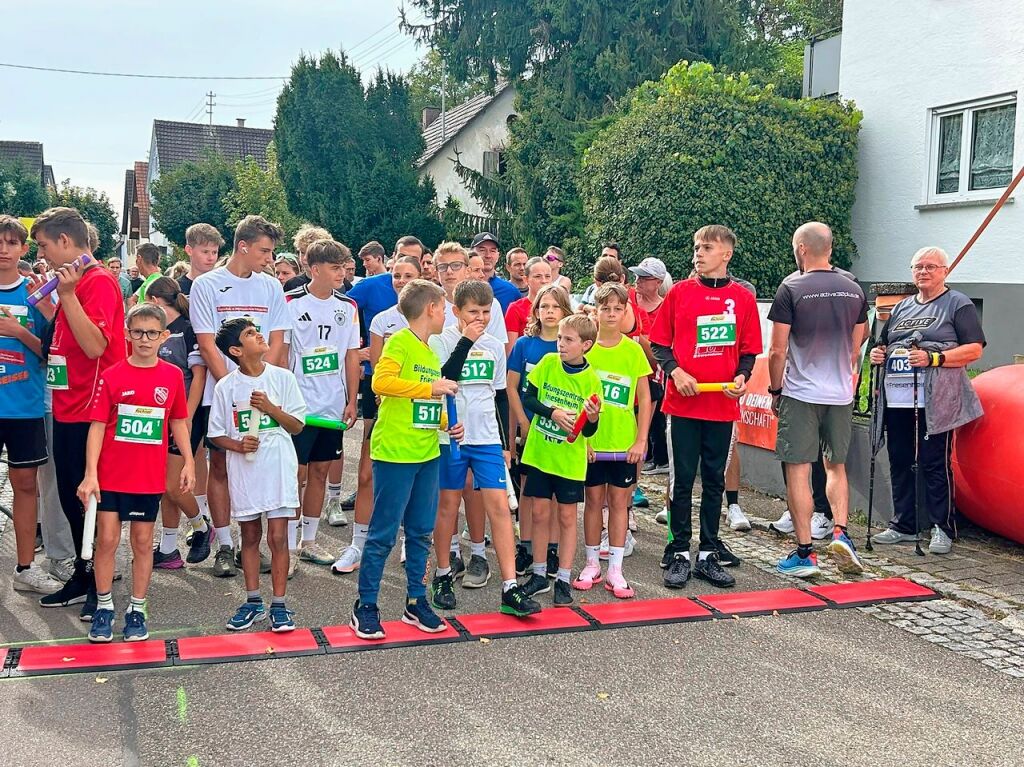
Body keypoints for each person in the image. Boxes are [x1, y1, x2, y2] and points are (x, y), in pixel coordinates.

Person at [349, 280, 462, 640]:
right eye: (444, 308)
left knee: (420, 531)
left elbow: (424, 405)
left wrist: (447, 423)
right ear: (430, 308)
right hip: (396, 452)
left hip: (427, 451)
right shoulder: (399, 342)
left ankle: (416, 600)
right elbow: (381, 382)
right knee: (383, 533)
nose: (446, 315)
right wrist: (432, 388)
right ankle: (365, 605)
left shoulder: (430, 353)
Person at [650, 225, 761, 589]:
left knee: (714, 481)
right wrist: (676, 372)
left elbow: (748, 352)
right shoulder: (680, 293)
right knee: (682, 481)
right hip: (682, 405)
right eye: (697, 247)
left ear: (726, 254)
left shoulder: (742, 299)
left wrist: (742, 378)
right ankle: (679, 551)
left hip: (720, 407)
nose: (698, 253)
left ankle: (708, 553)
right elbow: (659, 344)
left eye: (707, 247)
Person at [76, 303, 194, 642]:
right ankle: (103, 607)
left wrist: (187, 460)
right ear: (127, 335)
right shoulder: (112, 375)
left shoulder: (171, 376)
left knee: (143, 542)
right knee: (108, 540)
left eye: (152, 333)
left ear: (164, 336)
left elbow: (178, 422)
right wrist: (90, 474)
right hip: (111, 475)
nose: (145, 339)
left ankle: (137, 609)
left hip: (147, 477)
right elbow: (97, 427)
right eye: (138, 332)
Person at [33, 208, 128, 615]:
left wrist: (67, 296)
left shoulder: (99, 281)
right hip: (70, 404)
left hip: (92, 410)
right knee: (75, 499)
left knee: (92, 500)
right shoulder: (77, 281)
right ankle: (83, 574)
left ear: (66, 243)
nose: (43, 254)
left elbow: (96, 346)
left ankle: (97, 583)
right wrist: (53, 307)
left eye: (44, 245)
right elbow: (72, 335)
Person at [428, 280, 541, 617]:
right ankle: (443, 573)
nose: (480, 318)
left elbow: (500, 394)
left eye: (486, 312)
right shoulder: (440, 341)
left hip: (487, 437)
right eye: (472, 312)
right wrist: (466, 340)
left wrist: (506, 444)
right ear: (456, 311)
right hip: (452, 436)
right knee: (448, 504)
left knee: (500, 508)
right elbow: (445, 379)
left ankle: (509, 587)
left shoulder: (494, 345)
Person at [191, 215, 289, 578]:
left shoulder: (270, 287)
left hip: (264, 393)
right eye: (264, 250)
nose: (269, 258)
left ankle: (255, 543)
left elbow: (278, 340)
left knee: (258, 464)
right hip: (223, 395)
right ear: (243, 247)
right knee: (220, 466)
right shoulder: (207, 285)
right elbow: (206, 343)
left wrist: (266, 381)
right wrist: (234, 388)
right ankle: (224, 545)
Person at [768, 221, 868, 578]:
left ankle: (805, 552)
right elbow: (859, 343)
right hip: (841, 393)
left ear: (802, 250)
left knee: (798, 468)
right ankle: (841, 533)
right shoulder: (853, 288)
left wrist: (776, 389)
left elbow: (777, 349)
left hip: (801, 391)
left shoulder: (791, 287)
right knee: (835, 465)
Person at [869, 246, 985, 554]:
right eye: (918, 266)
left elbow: (974, 349)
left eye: (931, 266)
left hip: (936, 400)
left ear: (945, 271)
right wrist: (877, 354)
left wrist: (935, 357)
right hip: (898, 398)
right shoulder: (902, 307)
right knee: (900, 459)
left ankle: (942, 528)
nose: (924, 271)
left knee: (935, 462)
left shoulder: (957, 303)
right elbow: (883, 345)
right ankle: (903, 524)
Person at [209, 318, 306, 632]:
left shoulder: (283, 378)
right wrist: (238, 445)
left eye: (257, 329)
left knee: (278, 537)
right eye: (250, 334)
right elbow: (216, 435)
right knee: (250, 536)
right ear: (237, 350)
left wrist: (271, 409)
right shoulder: (227, 387)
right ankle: (253, 601)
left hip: (277, 464)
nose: (259, 335)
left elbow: (297, 426)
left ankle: (279, 603)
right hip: (246, 469)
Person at [284, 239, 360, 566]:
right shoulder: (290, 302)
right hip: (298, 407)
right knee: (294, 476)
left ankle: (308, 541)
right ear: (314, 270)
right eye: (335, 267)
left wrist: (351, 400)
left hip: (331, 407)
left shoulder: (348, 306)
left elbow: (350, 355)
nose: (342, 273)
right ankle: (284, 545)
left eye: (343, 266)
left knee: (319, 473)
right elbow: (283, 354)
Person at [519, 314, 603, 605]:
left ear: (586, 345)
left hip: (569, 461)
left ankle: (564, 578)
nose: (561, 344)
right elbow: (528, 398)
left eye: (568, 340)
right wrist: (551, 412)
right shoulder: (547, 364)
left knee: (567, 517)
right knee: (539, 514)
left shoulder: (592, 380)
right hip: (541, 454)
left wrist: (591, 420)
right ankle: (539, 574)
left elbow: (589, 429)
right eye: (559, 338)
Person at [0, 216, 63, 595]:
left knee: (26, 486)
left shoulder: (37, 295)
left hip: (25, 408)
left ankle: (25, 567)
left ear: (24, 249)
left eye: (11, 243)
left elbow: (51, 355)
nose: (3, 249)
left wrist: (19, 332)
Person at [576, 283, 652, 598]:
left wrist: (641, 440)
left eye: (617, 309)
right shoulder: (586, 349)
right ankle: (592, 562)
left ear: (625, 313)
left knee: (619, 503)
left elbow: (645, 399)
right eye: (604, 308)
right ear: (595, 310)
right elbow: (576, 396)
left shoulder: (633, 350)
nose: (610, 314)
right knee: (593, 502)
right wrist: (585, 440)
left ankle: (616, 569)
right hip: (593, 444)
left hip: (624, 444)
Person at [143, 277, 212, 568]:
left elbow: (199, 375)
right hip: (156, 415)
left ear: (157, 301)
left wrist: (187, 415)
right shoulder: (155, 332)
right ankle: (169, 549)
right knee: (163, 485)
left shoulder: (187, 328)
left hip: (182, 416)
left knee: (173, 484)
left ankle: (201, 526)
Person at [507, 285, 574, 577]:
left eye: (555, 307)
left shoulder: (568, 346)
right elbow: (512, 386)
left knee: (557, 494)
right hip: (531, 426)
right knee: (528, 488)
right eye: (544, 306)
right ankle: (526, 545)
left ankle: (552, 549)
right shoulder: (525, 344)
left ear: (565, 311)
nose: (549, 312)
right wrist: (522, 420)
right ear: (536, 310)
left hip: (560, 432)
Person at [630, 257, 671, 475]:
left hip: (652, 372)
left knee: (653, 418)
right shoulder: (628, 299)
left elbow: (661, 345)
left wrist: (639, 339)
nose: (637, 281)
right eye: (637, 276)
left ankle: (655, 458)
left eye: (644, 278)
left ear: (658, 282)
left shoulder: (666, 307)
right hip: (625, 370)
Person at [504, 256, 552, 354]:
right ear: (526, 280)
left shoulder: (559, 307)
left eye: (547, 276)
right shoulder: (515, 308)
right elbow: (510, 352)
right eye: (537, 276)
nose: (544, 281)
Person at [471, 232, 520, 312]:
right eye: (482, 250)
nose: (488, 255)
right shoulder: (458, 289)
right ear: (472, 253)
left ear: (498, 256)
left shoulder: (510, 291)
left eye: (492, 251)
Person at [178, 223, 224, 296]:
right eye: (205, 252)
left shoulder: (224, 286)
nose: (211, 258)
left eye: (214, 252)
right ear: (189, 250)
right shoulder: (176, 289)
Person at [283, 225, 332, 292]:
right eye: (302, 252)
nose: (305, 258)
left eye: (311, 253)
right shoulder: (292, 284)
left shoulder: (338, 283)